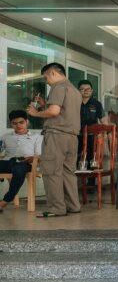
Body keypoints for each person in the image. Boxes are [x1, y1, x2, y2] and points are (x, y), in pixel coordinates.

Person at [26, 62, 82, 217]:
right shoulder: (75, 91)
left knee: (51, 171)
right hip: (72, 137)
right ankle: (73, 205)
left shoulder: (58, 87)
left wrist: (35, 113)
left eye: (46, 77)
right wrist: (46, 106)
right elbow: (62, 111)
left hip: (56, 135)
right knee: (68, 172)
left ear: (53, 73)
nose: (47, 81)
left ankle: (56, 208)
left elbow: (54, 112)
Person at [0, 110, 43, 212]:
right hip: (8, 161)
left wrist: (31, 158)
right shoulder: (5, 137)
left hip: (26, 163)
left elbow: (39, 155)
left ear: (27, 122)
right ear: (11, 124)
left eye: (21, 122)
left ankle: (5, 201)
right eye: (14, 123)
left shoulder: (36, 137)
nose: (18, 126)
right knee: (14, 166)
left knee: (19, 169)